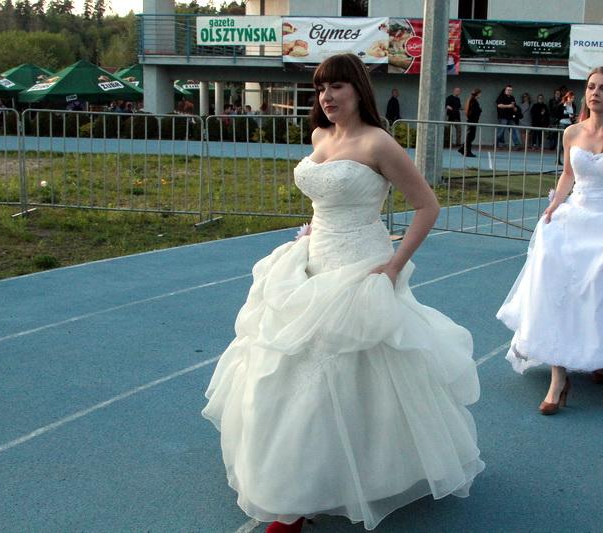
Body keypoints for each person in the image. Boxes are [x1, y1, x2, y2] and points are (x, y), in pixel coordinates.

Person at [202, 53, 484, 532]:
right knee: (287, 369)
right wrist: (314, 230)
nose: (326, 96)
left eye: (336, 86)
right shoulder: (320, 136)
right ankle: (299, 483)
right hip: (311, 261)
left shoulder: (378, 142)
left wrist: (394, 266)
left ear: (357, 89)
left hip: (360, 267)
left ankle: (303, 501)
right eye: (320, 88)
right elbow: (326, 198)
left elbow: (427, 206)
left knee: (341, 371)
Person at [496, 66, 603, 414]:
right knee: (558, 292)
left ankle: (600, 357)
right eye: (591, 87)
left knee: (601, 296)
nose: (595, 93)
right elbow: (568, 175)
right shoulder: (572, 132)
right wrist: (555, 203)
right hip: (574, 219)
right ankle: (558, 379)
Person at [458, 88, 481, 157]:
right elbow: (472, 111)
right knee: (470, 137)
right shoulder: (473, 101)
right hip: (472, 121)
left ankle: (463, 149)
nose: (480, 95)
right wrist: (479, 110)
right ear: (477, 94)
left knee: (471, 137)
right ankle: (467, 151)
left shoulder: (472, 100)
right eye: (479, 93)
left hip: (473, 121)